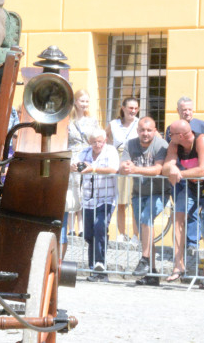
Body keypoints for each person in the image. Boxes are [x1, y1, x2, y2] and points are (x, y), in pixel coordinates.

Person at [162, 119, 204, 283]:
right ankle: (178, 265)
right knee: (178, 219)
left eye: (170, 134)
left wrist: (178, 173)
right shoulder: (175, 145)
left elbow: (203, 170)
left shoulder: (202, 141)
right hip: (192, 188)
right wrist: (172, 168)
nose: (168, 136)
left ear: (180, 135)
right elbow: (166, 167)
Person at [120, 116, 169, 278]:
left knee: (146, 218)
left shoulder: (161, 145)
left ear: (155, 131)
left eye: (149, 130)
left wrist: (134, 169)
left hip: (159, 192)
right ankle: (152, 273)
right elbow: (124, 164)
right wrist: (126, 166)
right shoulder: (130, 144)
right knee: (145, 228)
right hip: (138, 193)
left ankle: (145, 259)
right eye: (142, 130)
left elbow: (157, 170)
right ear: (137, 130)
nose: (145, 133)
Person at [63, 89, 100, 253]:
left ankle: (81, 226)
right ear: (75, 102)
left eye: (87, 101)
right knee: (72, 190)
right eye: (82, 101)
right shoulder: (67, 120)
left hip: (86, 156)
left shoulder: (92, 121)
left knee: (84, 191)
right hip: (72, 157)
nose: (84, 104)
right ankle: (70, 226)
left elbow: (97, 138)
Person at [80, 130, 119, 281]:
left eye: (100, 141)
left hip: (106, 198)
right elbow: (76, 164)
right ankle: (93, 268)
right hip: (88, 200)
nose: (97, 144)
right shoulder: (84, 152)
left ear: (105, 140)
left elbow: (114, 169)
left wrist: (93, 169)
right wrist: (74, 167)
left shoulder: (111, 151)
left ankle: (100, 266)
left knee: (100, 227)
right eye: (94, 141)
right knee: (89, 234)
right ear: (90, 142)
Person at [106, 96, 140, 242]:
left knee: (134, 201)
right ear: (123, 108)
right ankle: (121, 233)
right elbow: (105, 138)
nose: (133, 111)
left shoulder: (140, 123)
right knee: (120, 200)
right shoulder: (114, 124)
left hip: (135, 162)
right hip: (119, 161)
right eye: (130, 108)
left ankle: (136, 235)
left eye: (135, 108)